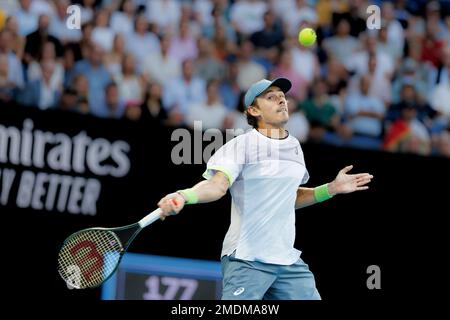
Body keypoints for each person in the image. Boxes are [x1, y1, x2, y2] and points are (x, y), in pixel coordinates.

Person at [157, 77, 373, 300]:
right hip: (247, 259)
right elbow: (217, 186)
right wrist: (184, 195)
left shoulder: (295, 147)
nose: (281, 100)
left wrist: (331, 188)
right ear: (254, 110)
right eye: (271, 97)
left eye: (282, 96)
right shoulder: (241, 145)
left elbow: (291, 197)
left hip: (287, 262)